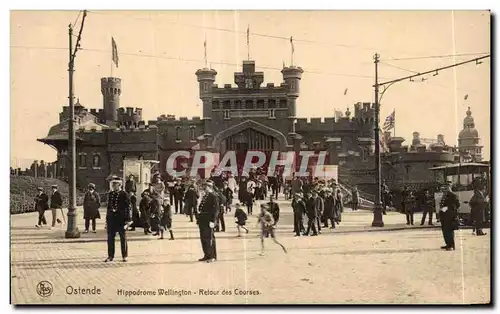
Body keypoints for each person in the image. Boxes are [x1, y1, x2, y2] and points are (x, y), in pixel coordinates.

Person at [105, 179, 131, 262]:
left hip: (121, 219)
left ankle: (124, 256)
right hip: (112, 219)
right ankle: (110, 256)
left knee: (123, 238)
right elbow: (108, 207)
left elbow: (128, 208)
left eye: (115, 184)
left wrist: (128, 220)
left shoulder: (124, 194)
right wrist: (107, 220)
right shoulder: (111, 194)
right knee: (110, 238)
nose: (113, 186)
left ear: (119, 185)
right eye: (113, 184)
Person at [197, 181, 219, 263]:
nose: (204, 188)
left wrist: (213, 220)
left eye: (205, 187)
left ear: (209, 187)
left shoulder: (213, 196)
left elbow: (216, 209)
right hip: (203, 219)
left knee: (209, 238)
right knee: (203, 238)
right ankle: (206, 254)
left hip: (209, 219)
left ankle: (212, 256)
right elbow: (201, 207)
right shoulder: (205, 195)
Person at [439, 183, 460, 251]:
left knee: (449, 231)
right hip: (444, 216)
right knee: (445, 231)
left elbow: (457, 205)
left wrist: (447, 209)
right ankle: (448, 244)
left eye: (446, 187)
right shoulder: (445, 195)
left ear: (449, 187)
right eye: (444, 187)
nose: (444, 189)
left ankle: (451, 245)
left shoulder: (452, 195)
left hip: (449, 216)